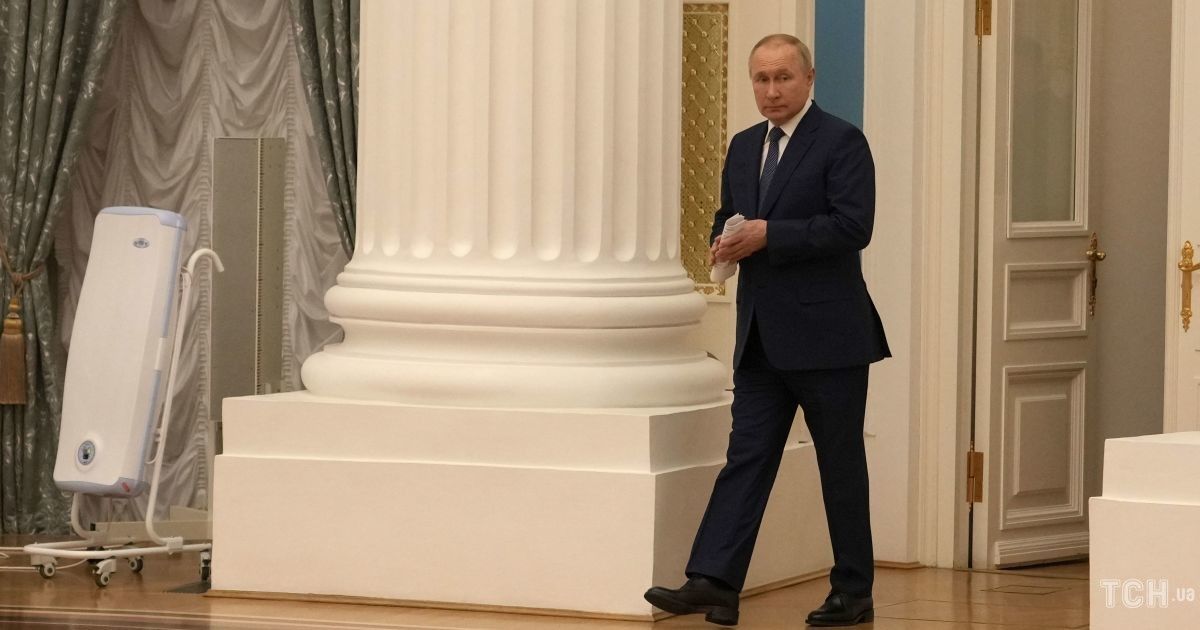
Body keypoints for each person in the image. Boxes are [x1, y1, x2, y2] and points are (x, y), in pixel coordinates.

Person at [644, 34, 889, 627]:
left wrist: (769, 235)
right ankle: (715, 581)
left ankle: (853, 591)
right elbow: (727, 215)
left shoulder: (842, 141)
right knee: (746, 458)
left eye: (783, 77)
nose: (772, 90)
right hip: (759, 337)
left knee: (840, 466)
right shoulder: (743, 145)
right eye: (761, 79)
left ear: (809, 78)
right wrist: (722, 241)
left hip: (829, 339)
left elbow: (853, 227)